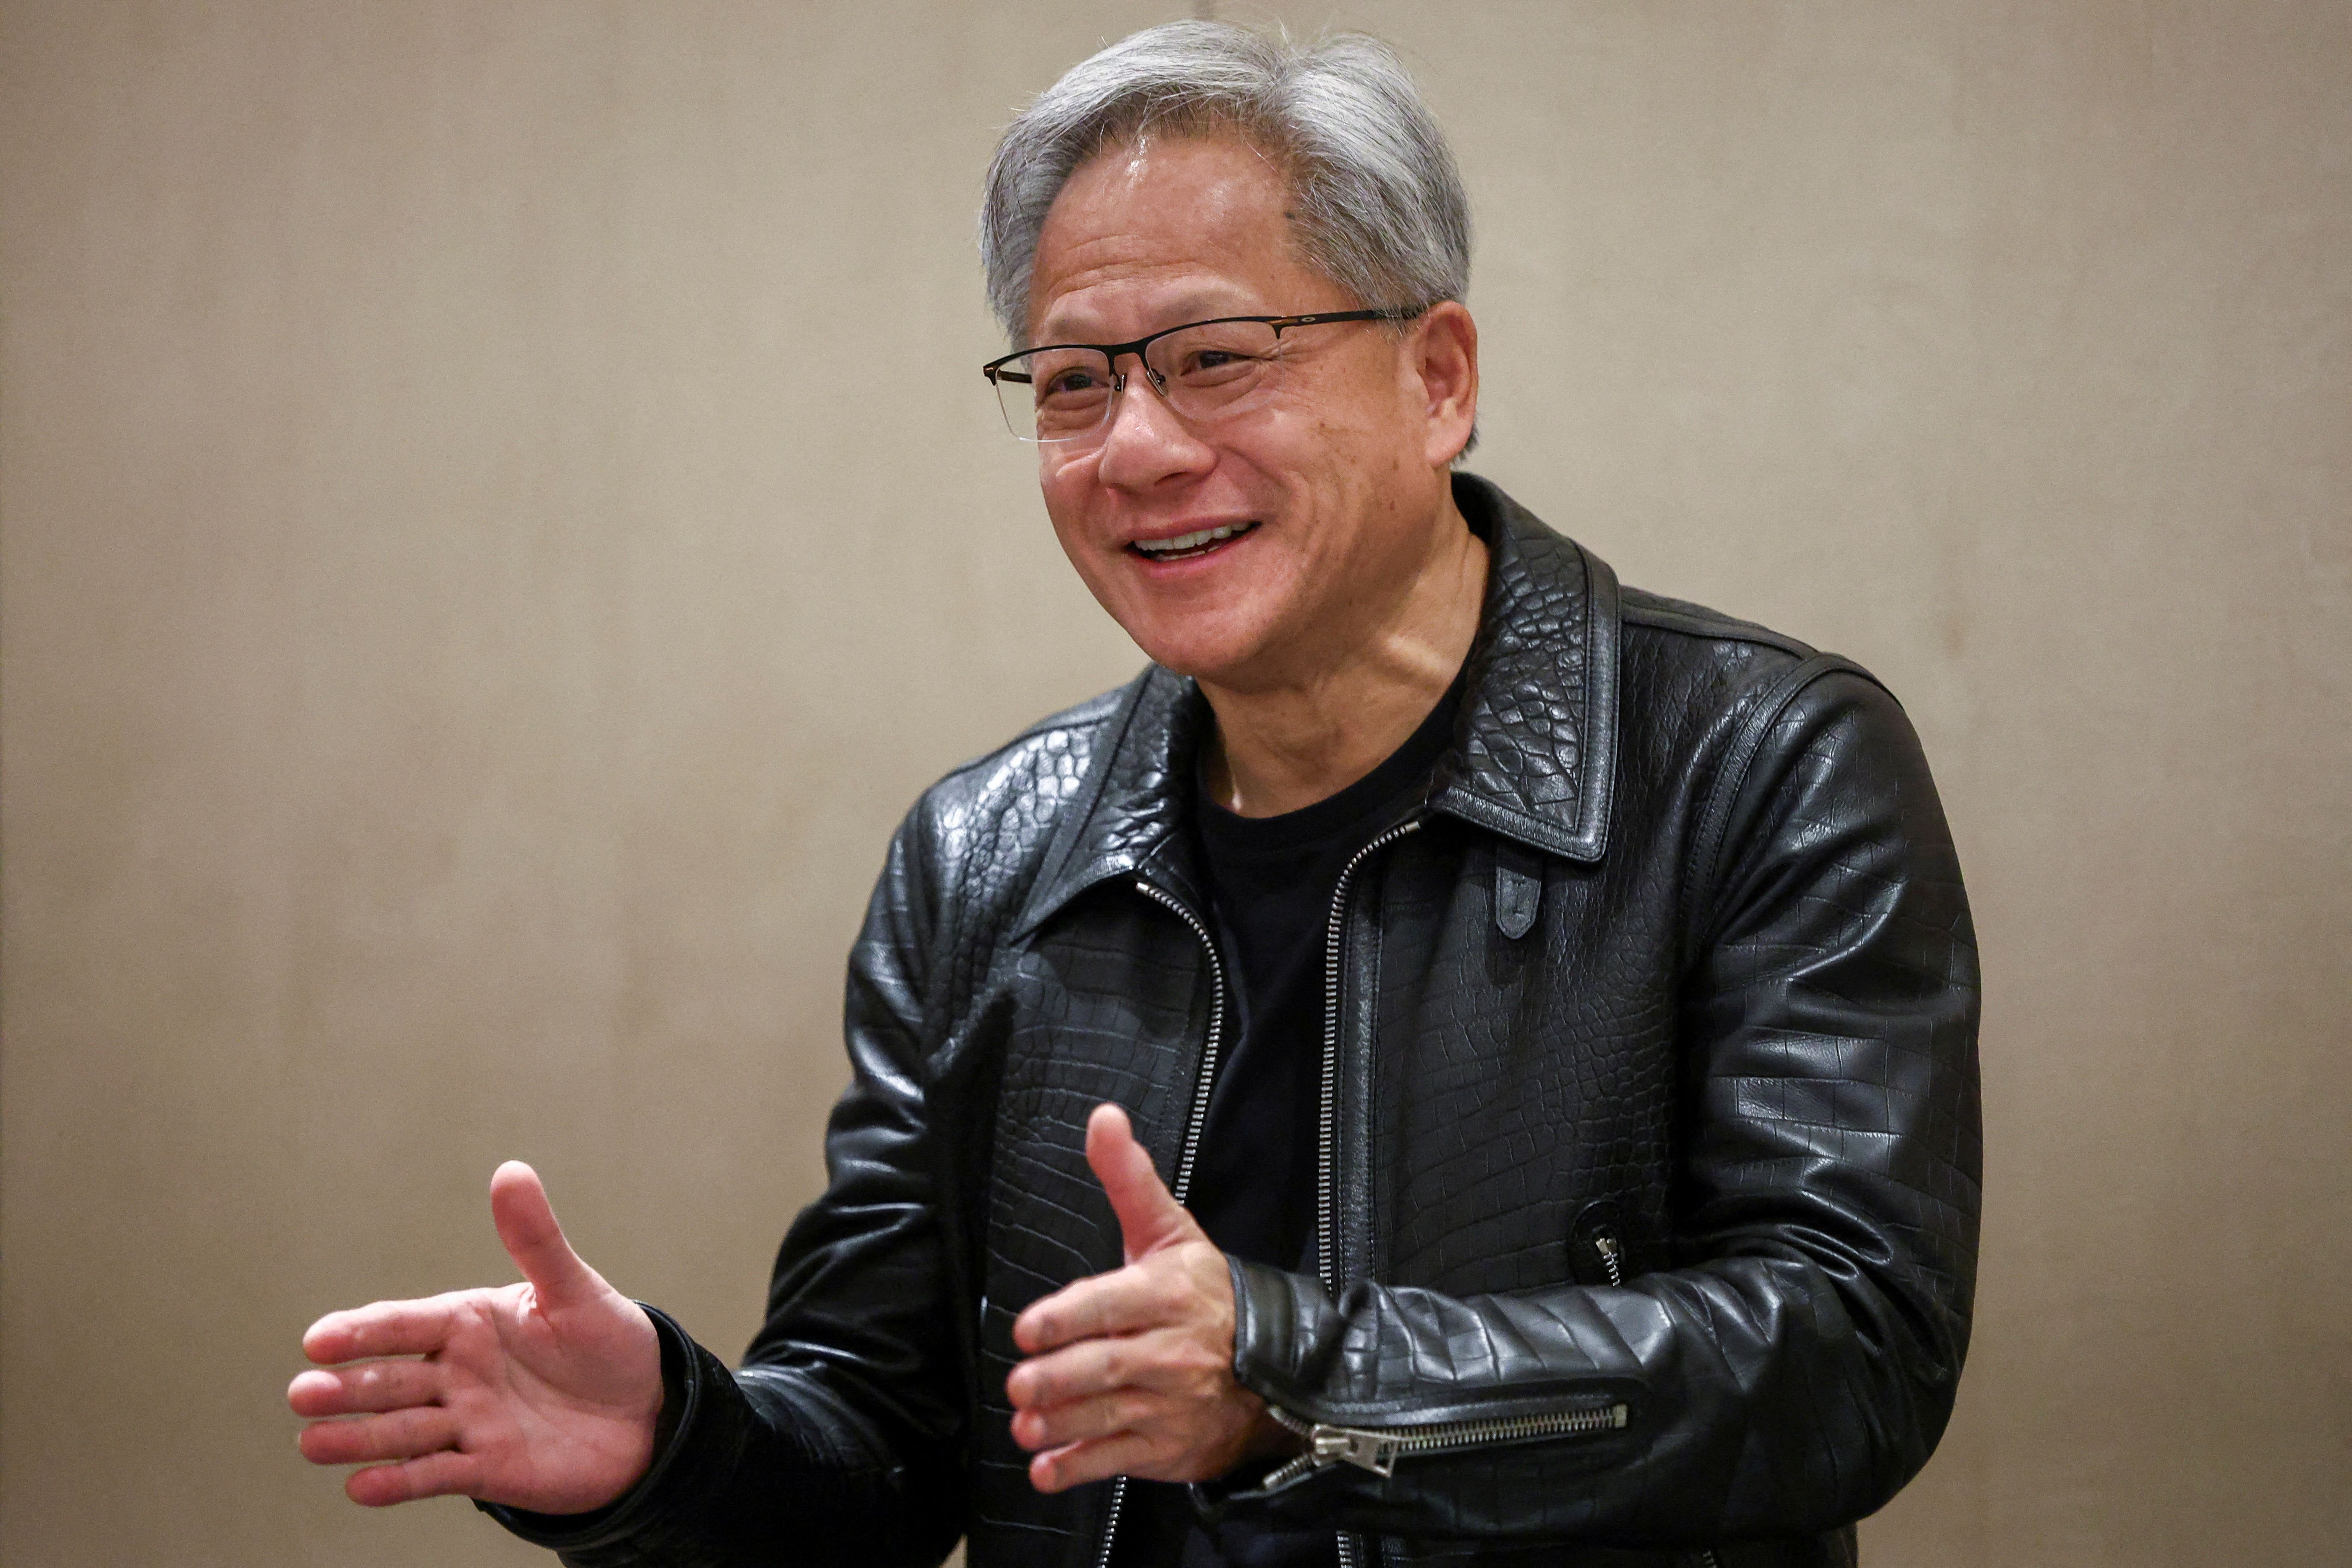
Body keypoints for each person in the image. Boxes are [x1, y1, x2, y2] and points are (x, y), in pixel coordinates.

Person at [289, 22, 1980, 1568]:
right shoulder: (982, 856)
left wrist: (1294, 1377)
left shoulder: (1756, 763)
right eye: (1074, 380)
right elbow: (887, 1440)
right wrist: (671, 1443)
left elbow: (1848, 1353)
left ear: (1437, 377)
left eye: (1217, 357)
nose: (1137, 449)